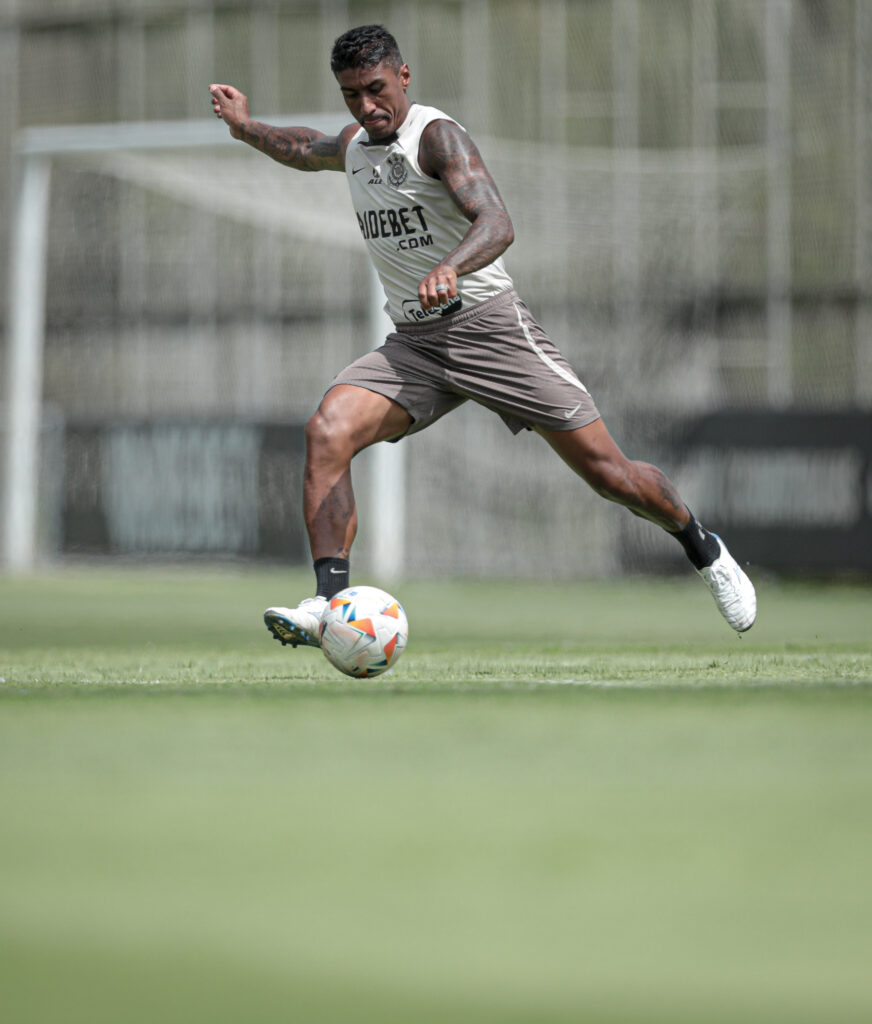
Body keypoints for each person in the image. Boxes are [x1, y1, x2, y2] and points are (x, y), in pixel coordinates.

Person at [209, 24, 756, 649]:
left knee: (610, 475)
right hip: (415, 344)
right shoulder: (359, 143)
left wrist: (451, 266)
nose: (366, 106)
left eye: (376, 89)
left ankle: (704, 547)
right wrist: (244, 127)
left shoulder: (436, 138)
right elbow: (305, 148)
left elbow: (496, 221)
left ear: (404, 76)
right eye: (351, 94)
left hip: (490, 329)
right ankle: (331, 604)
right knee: (327, 430)